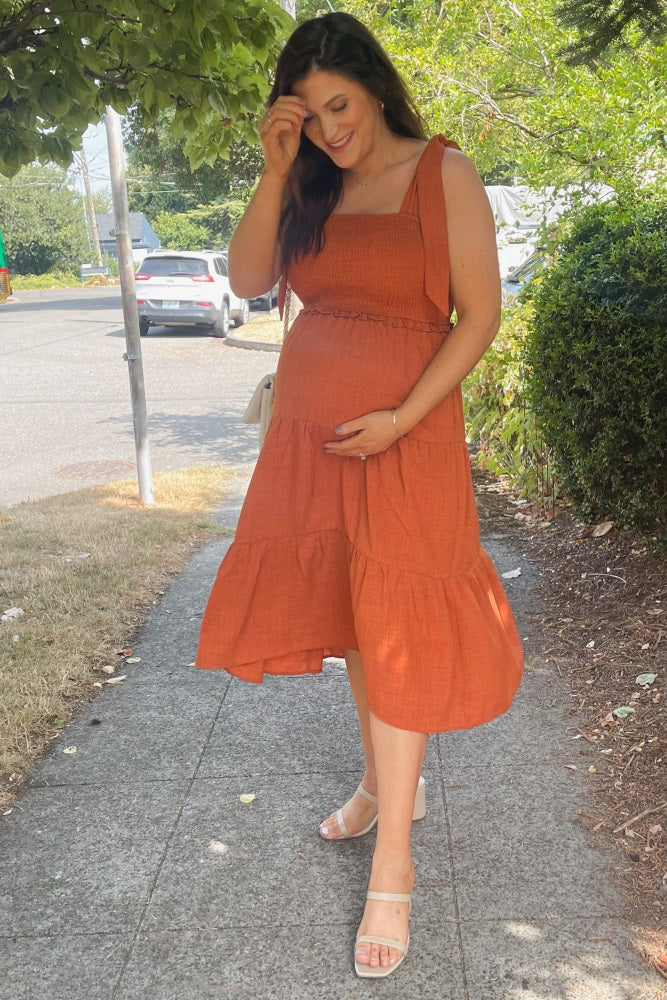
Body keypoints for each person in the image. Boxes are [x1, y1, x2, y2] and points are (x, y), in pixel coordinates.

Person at [197, 11, 523, 979]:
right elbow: (250, 278)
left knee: (400, 623)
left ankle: (394, 867)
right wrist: (274, 167)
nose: (330, 129)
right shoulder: (308, 183)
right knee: (352, 613)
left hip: (406, 438)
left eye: (338, 106)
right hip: (312, 440)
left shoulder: (442, 172)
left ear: (375, 88)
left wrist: (401, 418)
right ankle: (385, 787)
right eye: (309, 114)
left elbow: (478, 317)